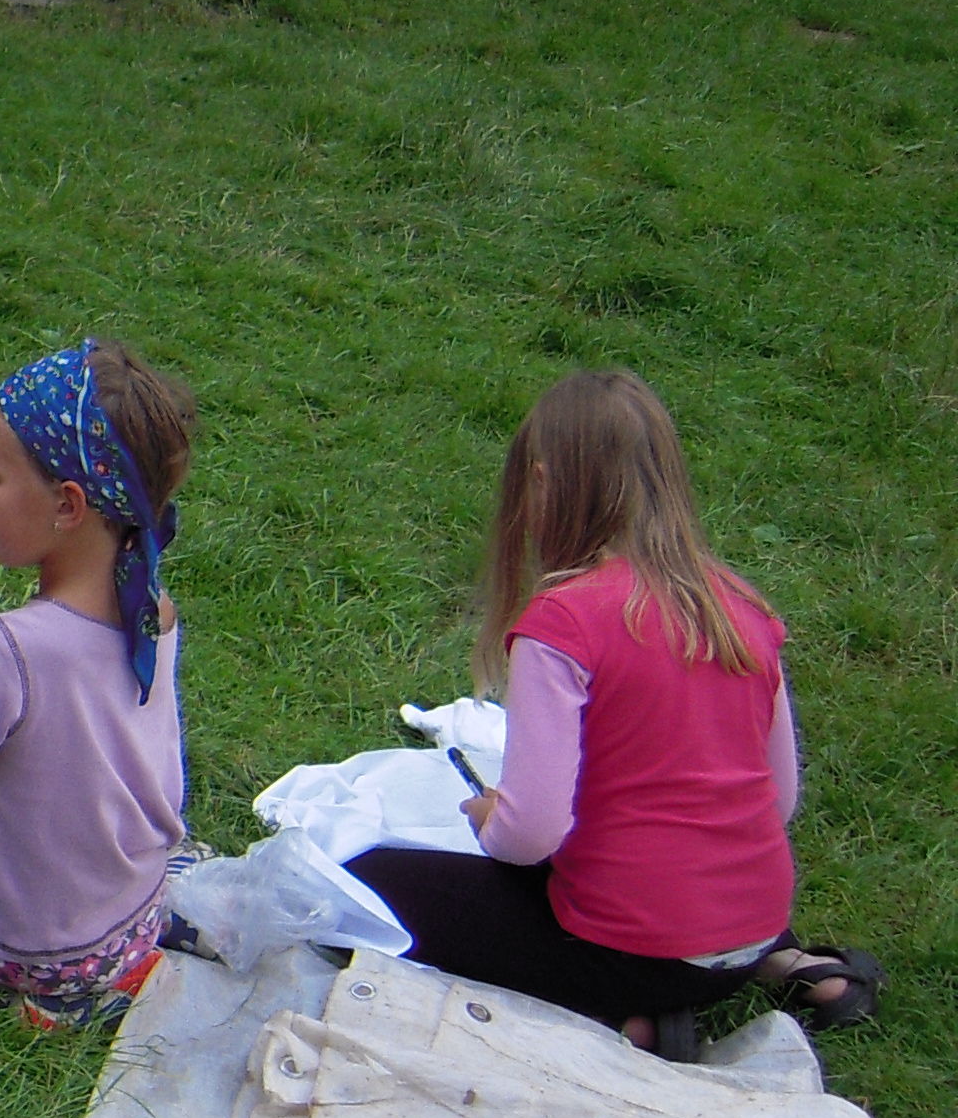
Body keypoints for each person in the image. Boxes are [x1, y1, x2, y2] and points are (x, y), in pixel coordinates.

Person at [345, 369, 876, 1054]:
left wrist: (490, 819)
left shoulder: (565, 621)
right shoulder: (741, 607)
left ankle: (623, 1020)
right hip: (752, 934)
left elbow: (530, 833)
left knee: (366, 883)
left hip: (634, 951)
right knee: (651, 883)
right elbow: (778, 801)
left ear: (541, 482)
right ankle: (795, 967)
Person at [0, 342, 197, 1033]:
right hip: (131, 913)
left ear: (68, 505)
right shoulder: (152, 608)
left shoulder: (3, 650)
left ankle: (56, 999)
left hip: (37, 949)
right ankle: (121, 968)